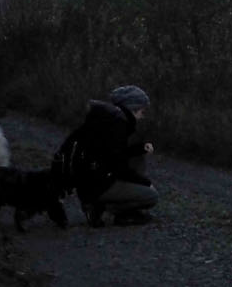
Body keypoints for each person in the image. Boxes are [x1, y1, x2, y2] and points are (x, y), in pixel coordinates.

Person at [54, 84, 159, 226]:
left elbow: (114, 153)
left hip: (88, 181)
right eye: (142, 111)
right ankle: (107, 209)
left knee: (138, 158)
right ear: (133, 108)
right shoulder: (118, 125)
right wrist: (146, 183)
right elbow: (118, 165)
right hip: (97, 184)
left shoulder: (108, 119)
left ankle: (100, 204)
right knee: (151, 196)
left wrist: (140, 149)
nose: (142, 116)